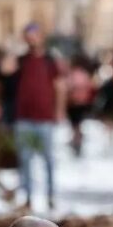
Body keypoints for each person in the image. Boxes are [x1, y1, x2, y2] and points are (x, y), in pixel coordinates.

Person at [13, 24, 65, 210]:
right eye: (28, 36)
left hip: (45, 119)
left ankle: (50, 196)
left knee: (48, 160)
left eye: (35, 35)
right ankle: (27, 197)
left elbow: (59, 87)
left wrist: (59, 110)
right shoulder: (21, 60)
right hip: (24, 118)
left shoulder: (50, 60)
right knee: (25, 159)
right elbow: (5, 70)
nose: (32, 39)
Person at [66, 54, 96, 158]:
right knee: (77, 125)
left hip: (74, 104)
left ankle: (77, 141)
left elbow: (68, 87)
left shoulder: (72, 74)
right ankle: (77, 141)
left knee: (75, 125)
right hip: (81, 104)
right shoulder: (84, 74)